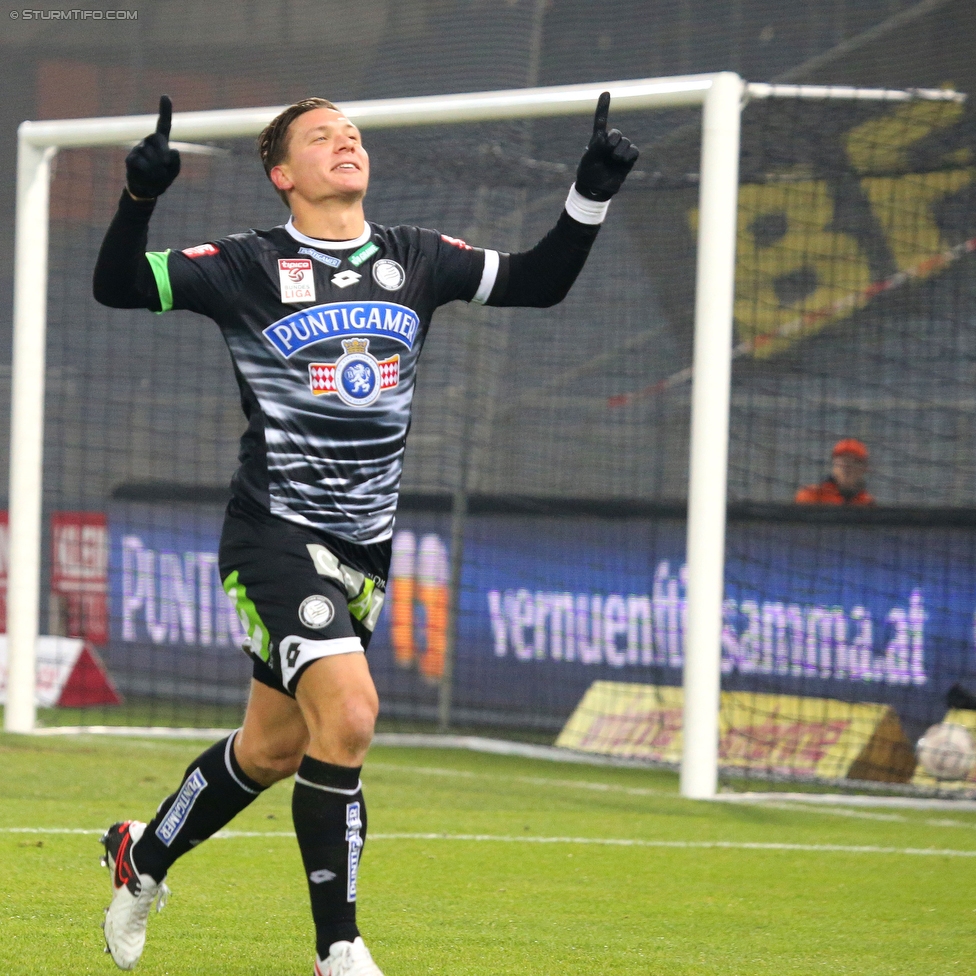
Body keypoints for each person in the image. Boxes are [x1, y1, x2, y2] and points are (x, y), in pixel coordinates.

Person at [92, 93, 638, 975]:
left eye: (352, 133)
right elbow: (118, 285)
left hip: (364, 554)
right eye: (321, 136)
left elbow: (541, 282)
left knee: (273, 748)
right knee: (349, 714)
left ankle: (141, 856)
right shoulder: (246, 264)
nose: (345, 141)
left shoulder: (417, 257)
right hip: (273, 532)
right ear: (283, 175)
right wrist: (140, 199)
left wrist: (590, 193)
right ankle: (337, 949)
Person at [794, 438, 875, 505]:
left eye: (855, 461)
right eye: (844, 461)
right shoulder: (812, 495)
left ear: (864, 468)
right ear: (833, 463)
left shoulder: (867, 503)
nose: (847, 467)